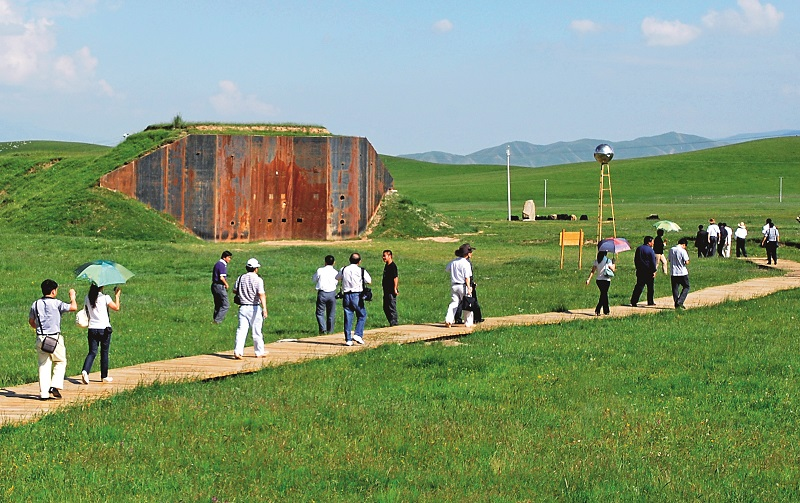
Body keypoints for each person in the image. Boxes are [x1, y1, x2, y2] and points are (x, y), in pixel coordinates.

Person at [28, 279, 77, 400]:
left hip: (41, 337)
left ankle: (44, 393)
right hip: (54, 338)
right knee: (60, 361)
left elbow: (31, 321)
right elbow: (73, 307)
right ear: (53, 291)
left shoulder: (35, 304)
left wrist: (38, 328)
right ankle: (55, 385)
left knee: (43, 364)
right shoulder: (57, 303)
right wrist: (72, 297)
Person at [80, 283, 121, 384]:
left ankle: (85, 371)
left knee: (92, 352)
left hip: (92, 328)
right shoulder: (105, 297)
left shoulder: (87, 297)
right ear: (101, 287)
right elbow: (116, 307)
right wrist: (117, 296)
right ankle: (104, 376)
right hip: (104, 328)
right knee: (104, 352)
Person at [232, 258, 268, 359]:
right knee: (256, 331)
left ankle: (238, 351)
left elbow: (234, 290)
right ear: (256, 269)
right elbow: (261, 294)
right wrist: (264, 308)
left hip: (243, 307)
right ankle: (259, 352)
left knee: (241, 330)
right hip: (254, 307)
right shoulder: (258, 280)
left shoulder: (240, 278)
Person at [337, 253, 371, 346]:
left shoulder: (344, 269)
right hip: (357, 295)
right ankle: (358, 334)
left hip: (346, 295)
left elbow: (337, 277)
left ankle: (348, 339)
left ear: (349, 260)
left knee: (348, 317)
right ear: (359, 261)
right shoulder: (361, 270)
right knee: (362, 314)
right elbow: (369, 281)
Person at [445, 243, 474, 328]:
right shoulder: (466, 263)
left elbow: (447, 269)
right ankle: (468, 322)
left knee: (454, 303)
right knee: (467, 303)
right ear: (467, 254)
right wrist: (469, 287)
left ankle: (448, 319)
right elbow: (467, 277)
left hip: (454, 285)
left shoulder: (453, 262)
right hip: (463, 286)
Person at [312, 255, 339, 334]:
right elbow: (336, 282)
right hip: (332, 293)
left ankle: (323, 329)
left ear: (325, 262)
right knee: (331, 314)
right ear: (334, 262)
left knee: (320, 313)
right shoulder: (335, 272)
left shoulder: (320, 270)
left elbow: (314, 279)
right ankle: (330, 331)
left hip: (322, 293)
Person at [586, 249, 615, 316]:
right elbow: (613, 269)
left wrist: (588, 279)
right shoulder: (608, 261)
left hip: (598, 280)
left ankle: (606, 310)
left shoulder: (597, 261)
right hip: (606, 280)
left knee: (604, 294)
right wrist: (613, 263)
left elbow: (592, 271)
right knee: (604, 295)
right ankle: (598, 309)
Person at [630, 236, 657, 307]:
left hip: (640, 270)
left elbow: (636, 259)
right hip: (649, 271)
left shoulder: (639, 248)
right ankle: (650, 301)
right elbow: (653, 262)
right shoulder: (650, 250)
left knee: (639, 286)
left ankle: (634, 301)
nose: (653, 243)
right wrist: (654, 270)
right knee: (650, 287)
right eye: (652, 242)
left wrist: (637, 267)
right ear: (649, 242)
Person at [668, 237, 691, 309]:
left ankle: (676, 303)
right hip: (682, 272)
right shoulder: (683, 251)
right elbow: (686, 262)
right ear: (684, 244)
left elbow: (669, 259)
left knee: (675, 288)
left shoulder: (671, 249)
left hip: (673, 272)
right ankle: (680, 301)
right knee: (686, 286)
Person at [211, 250, 232, 324]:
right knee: (226, 305)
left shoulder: (217, 264)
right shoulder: (222, 265)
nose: (229, 259)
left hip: (214, 285)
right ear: (224, 257)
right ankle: (217, 321)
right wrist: (226, 284)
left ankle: (215, 319)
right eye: (228, 257)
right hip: (219, 286)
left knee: (218, 304)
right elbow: (221, 277)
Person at [381, 250, 399, 326]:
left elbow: (395, 278)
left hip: (391, 290)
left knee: (391, 307)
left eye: (384, 256)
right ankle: (391, 322)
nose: (383, 257)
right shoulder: (387, 265)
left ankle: (394, 323)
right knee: (385, 307)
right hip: (386, 290)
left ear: (390, 256)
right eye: (383, 256)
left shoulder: (392, 266)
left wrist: (395, 288)